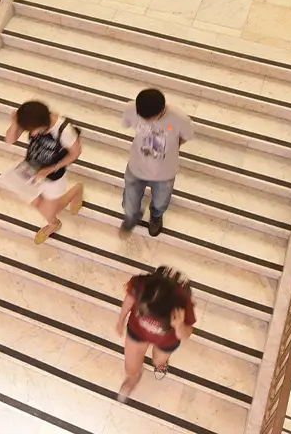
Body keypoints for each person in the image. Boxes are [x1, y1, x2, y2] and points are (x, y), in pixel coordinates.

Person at [2, 100, 84, 244]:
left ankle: (76, 190)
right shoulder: (30, 118)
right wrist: (15, 123)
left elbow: (75, 152)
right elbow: (9, 140)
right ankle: (53, 224)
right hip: (30, 167)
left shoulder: (63, 130)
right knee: (35, 201)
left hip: (53, 173)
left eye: (34, 130)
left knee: (51, 210)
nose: (32, 134)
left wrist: (51, 168)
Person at [115, 265, 196, 402]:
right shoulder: (141, 284)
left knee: (158, 361)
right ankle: (132, 379)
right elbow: (130, 298)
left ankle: (161, 363)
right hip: (137, 332)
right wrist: (121, 319)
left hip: (167, 340)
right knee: (130, 367)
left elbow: (186, 334)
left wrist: (179, 325)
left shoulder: (181, 300)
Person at [120, 88, 194, 237]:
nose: (146, 121)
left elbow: (186, 136)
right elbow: (126, 123)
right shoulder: (130, 108)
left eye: (150, 118)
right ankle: (132, 215)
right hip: (136, 166)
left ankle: (156, 216)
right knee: (130, 199)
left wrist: (173, 147)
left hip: (164, 171)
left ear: (162, 110)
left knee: (161, 201)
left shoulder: (180, 119)